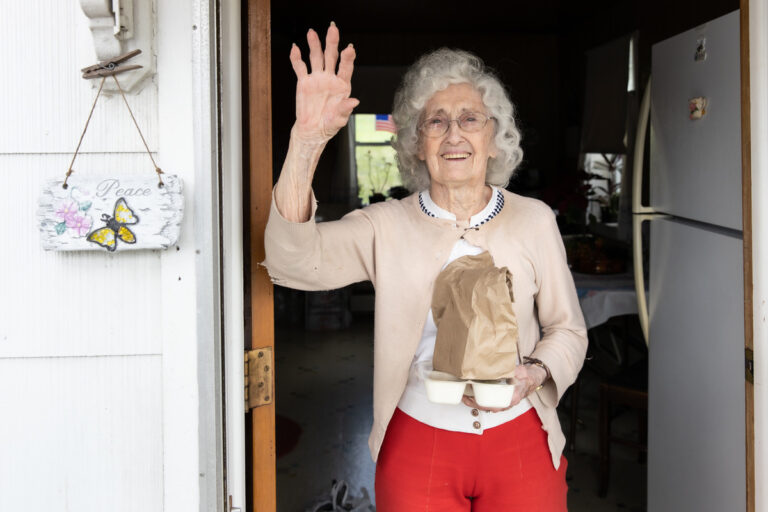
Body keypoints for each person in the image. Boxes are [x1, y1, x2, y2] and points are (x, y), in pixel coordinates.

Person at [264, 22, 588, 512]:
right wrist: (307, 141)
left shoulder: (534, 220)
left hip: (520, 435)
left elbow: (568, 330)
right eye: (436, 122)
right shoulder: (386, 225)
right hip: (420, 441)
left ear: (495, 139)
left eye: (470, 119)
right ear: (417, 144)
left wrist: (534, 373)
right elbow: (291, 264)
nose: (453, 133)